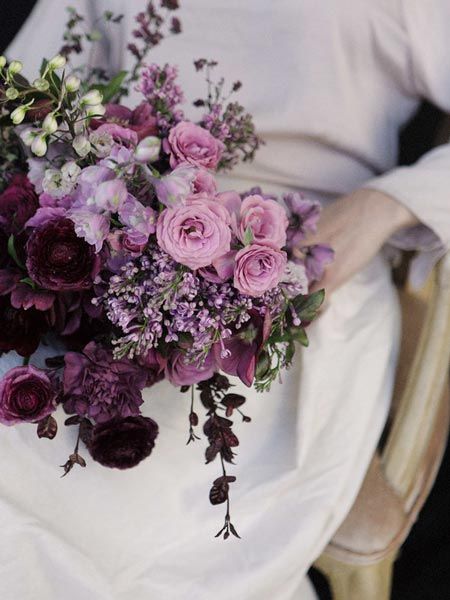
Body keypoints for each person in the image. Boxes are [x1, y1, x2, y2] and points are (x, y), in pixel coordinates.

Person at [1, 2, 449, 599]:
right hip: (116, 237)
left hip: (302, 261)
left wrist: (387, 205)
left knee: (160, 510)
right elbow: (23, 96)